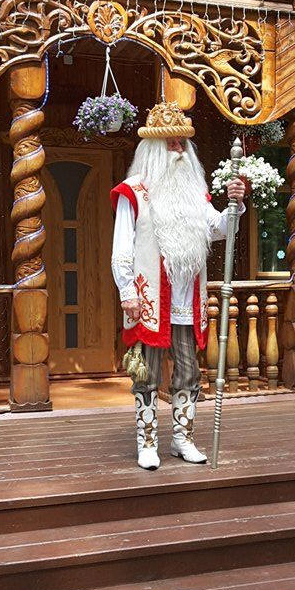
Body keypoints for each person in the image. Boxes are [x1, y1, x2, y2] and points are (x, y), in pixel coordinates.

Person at [111, 100, 245, 471]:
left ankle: (181, 439)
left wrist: (235, 206)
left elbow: (220, 230)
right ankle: (147, 442)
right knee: (147, 374)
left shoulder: (194, 193)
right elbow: (121, 248)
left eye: (182, 142)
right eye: (171, 142)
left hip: (187, 300)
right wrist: (127, 291)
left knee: (188, 372)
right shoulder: (134, 192)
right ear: (154, 148)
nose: (179, 149)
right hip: (149, 299)